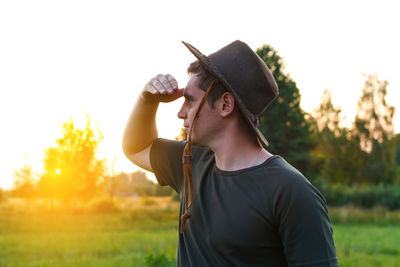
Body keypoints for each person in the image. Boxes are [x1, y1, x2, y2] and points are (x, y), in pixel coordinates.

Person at [123, 40, 339, 267]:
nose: (180, 112)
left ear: (225, 104)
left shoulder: (291, 191)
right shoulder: (190, 163)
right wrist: (147, 101)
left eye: (189, 100)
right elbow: (136, 147)